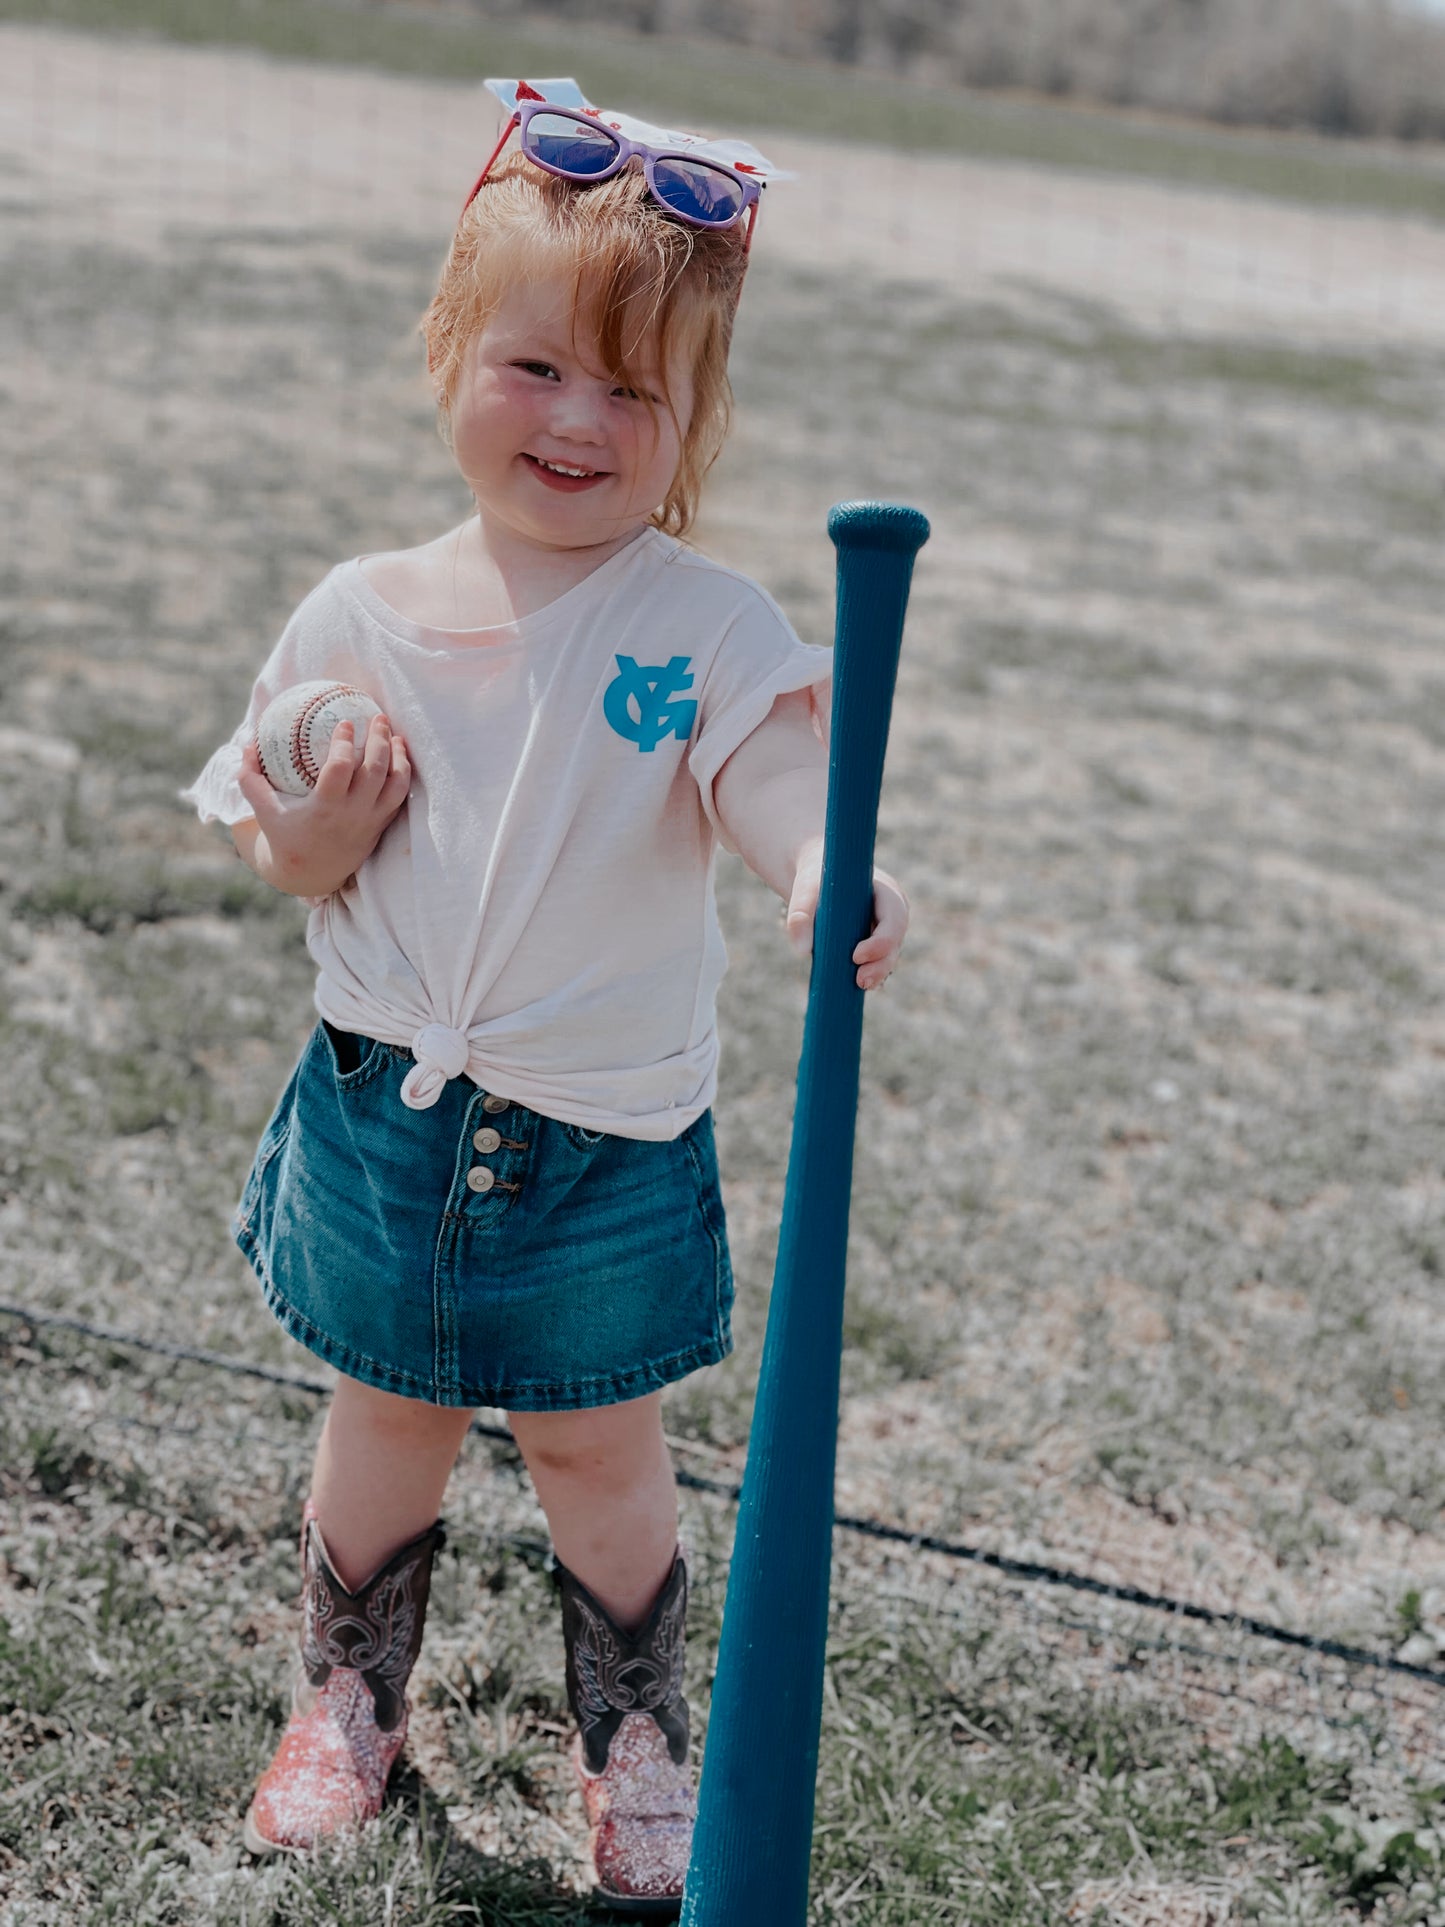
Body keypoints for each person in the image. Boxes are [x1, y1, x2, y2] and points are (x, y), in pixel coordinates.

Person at [182, 78, 908, 1913]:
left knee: (597, 1447)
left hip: (598, 1139)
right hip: (384, 1115)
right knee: (383, 1420)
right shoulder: (356, 615)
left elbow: (764, 775)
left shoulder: (704, 626)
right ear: (447, 349)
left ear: (691, 423)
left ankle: (637, 1738)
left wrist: (825, 864)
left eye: (635, 391)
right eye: (536, 369)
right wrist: (315, 825)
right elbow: (284, 855)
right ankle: (349, 1703)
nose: (581, 421)